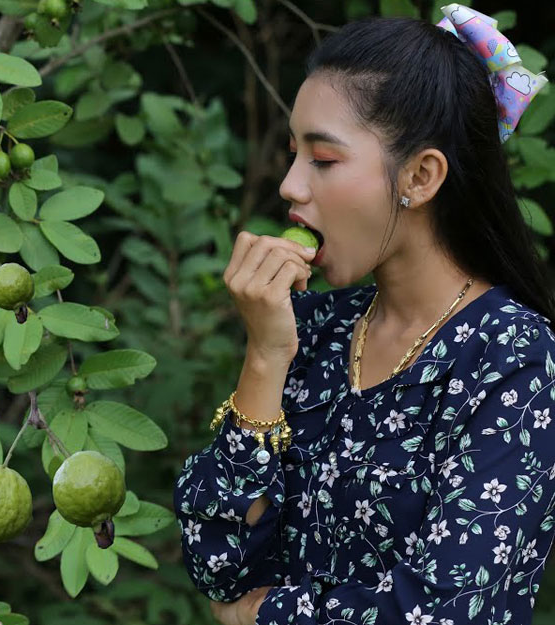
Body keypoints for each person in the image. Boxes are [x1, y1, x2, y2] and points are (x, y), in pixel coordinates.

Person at [174, 5, 555, 624]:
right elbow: (217, 563)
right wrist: (265, 356)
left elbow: (449, 610)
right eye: (293, 154)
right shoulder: (313, 329)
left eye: (322, 160)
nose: (290, 186)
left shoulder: (513, 356)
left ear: (421, 176)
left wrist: (265, 616)